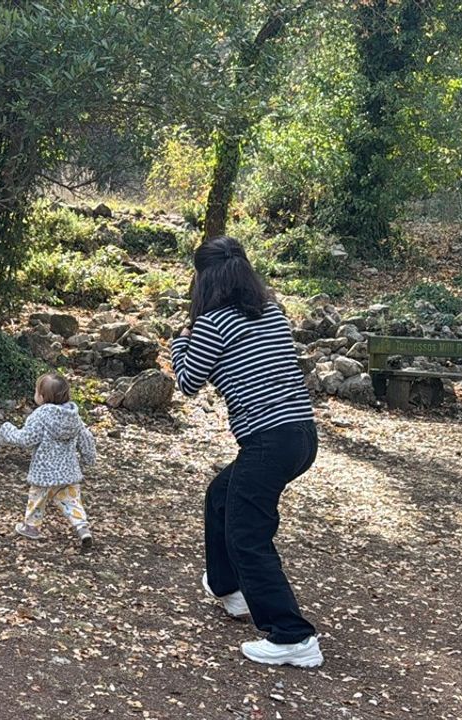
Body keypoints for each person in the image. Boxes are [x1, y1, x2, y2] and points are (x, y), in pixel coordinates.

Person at [170, 235, 323, 668]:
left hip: (268, 441)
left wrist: (181, 337)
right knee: (222, 495)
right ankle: (227, 589)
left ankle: (292, 635)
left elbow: (186, 380)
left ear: (206, 280)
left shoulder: (213, 323)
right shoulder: (271, 312)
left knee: (248, 535)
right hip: (300, 437)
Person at [0, 372, 97, 550]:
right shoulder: (73, 416)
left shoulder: (41, 415)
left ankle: (31, 527)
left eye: (36, 391)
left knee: (36, 501)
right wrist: (89, 458)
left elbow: (27, 439)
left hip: (43, 472)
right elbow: (86, 437)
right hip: (68, 472)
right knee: (72, 501)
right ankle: (82, 527)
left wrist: (7, 430)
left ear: (42, 397)